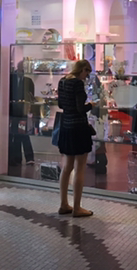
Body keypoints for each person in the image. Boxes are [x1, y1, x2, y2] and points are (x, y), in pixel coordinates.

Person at [57, 59, 94, 217]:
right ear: (82, 69)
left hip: (66, 126)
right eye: (87, 72)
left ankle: (64, 204)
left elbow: (61, 104)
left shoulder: (62, 81)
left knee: (67, 167)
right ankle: (77, 207)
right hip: (78, 128)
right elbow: (81, 108)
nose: (87, 76)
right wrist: (91, 105)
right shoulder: (77, 84)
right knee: (80, 168)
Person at [9, 61, 35, 166]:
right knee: (15, 133)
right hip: (12, 111)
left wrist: (30, 110)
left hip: (23, 111)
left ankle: (27, 157)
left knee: (23, 133)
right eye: (22, 68)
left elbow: (31, 97)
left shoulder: (28, 81)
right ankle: (17, 158)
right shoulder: (11, 79)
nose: (23, 70)